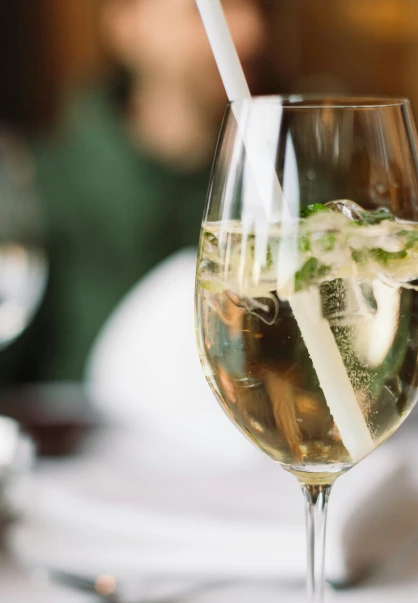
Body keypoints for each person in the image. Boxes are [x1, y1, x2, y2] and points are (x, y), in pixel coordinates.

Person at [2, 0, 268, 384]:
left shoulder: (286, 184)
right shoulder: (35, 186)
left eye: (255, 8)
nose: (249, 31)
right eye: (209, 10)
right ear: (126, 26)